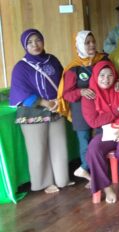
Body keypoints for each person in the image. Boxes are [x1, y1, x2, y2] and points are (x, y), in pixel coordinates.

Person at [9, 29, 70, 193]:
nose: (34, 45)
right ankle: (43, 183)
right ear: (24, 45)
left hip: (55, 110)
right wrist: (44, 103)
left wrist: (59, 100)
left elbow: (63, 81)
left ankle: (62, 179)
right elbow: (20, 93)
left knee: (60, 147)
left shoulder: (52, 60)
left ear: (43, 41)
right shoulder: (21, 67)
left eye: (37, 40)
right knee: (38, 150)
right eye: (30, 42)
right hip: (33, 114)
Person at [82, 61, 119, 203]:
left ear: (114, 76)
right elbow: (94, 122)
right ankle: (106, 187)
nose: (106, 79)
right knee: (93, 148)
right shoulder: (90, 95)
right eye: (102, 75)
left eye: (109, 75)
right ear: (95, 76)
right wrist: (118, 110)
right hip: (104, 132)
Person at [59, 31, 109, 184]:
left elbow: (112, 76)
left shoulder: (103, 59)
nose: (92, 45)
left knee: (102, 137)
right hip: (80, 110)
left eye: (93, 41)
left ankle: (102, 171)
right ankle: (91, 174)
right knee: (85, 140)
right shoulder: (73, 68)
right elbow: (67, 94)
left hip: (102, 107)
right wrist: (81, 91)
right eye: (87, 43)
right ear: (80, 45)